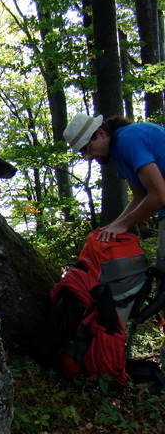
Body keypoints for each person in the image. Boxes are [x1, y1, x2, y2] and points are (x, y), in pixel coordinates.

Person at [64, 113, 165, 365]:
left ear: (100, 134)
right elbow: (139, 195)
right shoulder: (117, 150)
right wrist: (114, 225)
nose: (87, 157)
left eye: (87, 148)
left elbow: (158, 195)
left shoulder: (129, 139)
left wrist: (123, 225)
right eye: (82, 153)